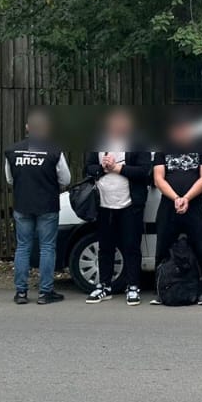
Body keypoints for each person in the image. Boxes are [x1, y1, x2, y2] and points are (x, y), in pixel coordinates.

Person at [83, 108, 151, 305]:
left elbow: (144, 171)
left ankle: (133, 286)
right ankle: (104, 285)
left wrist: (118, 168)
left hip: (130, 204)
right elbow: (88, 168)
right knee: (105, 247)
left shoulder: (138, 143)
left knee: (131, 246)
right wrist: (102, 167)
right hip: (104, 204)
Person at [5, 108, 71, 305]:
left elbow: (9, 179)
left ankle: (21, 293)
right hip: (47, 205)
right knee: (47, 247)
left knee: (23, 247)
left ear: (27, 127)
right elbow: (66, 178)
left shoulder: (12, 150)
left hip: (22, 204)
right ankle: (45, 292)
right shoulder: (54, 150)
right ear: (47, 128)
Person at [152, 119, 202, 305]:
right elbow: (158, 179)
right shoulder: (163, 149)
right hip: (168, 205)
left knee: (200, 248)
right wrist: (176, 198)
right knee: (162, 247)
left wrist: (186, 198)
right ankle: (161, 289)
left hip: (194, 206)